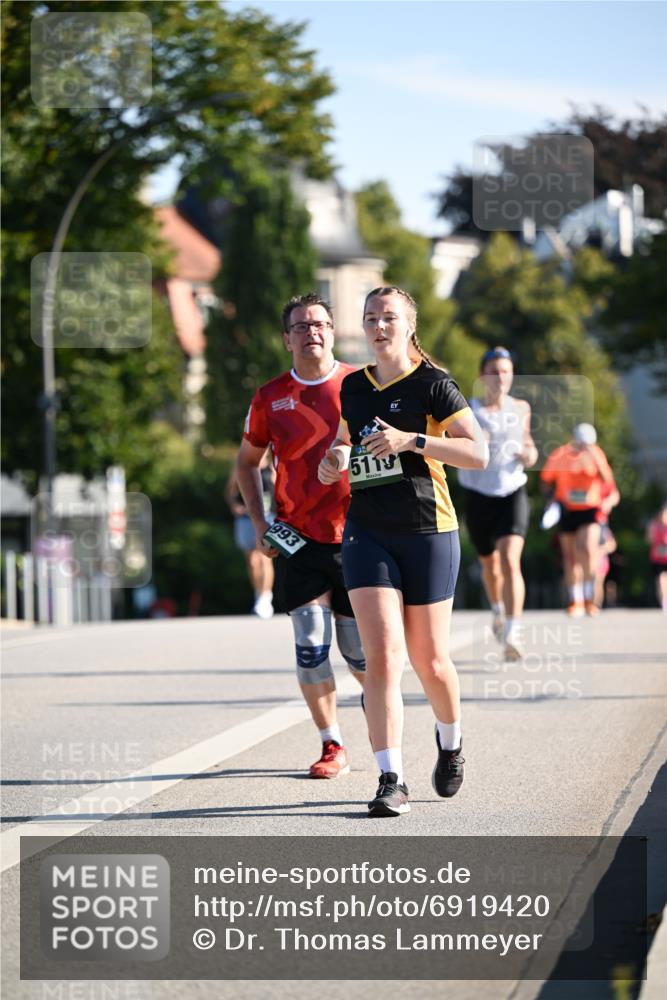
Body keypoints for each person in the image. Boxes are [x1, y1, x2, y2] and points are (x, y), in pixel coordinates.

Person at [318, 286, 487, 817]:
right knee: (383, 658)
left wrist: (412, 440)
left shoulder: (433, 384)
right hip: (367, 532)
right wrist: (335, 458)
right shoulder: (353, 387)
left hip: (427, 530)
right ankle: (390, 778)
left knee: (430, 661)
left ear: (409, 325)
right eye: (370, 317)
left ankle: (451, 742)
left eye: (388, 317)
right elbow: (345, 439)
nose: (378, 326)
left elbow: (478, 453)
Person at [235, 293, 365, 779]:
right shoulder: (270, 397)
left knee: (360, 655)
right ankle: (332, 744)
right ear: (287, 338)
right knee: (310, 646)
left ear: (332, 331)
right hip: (299, 538)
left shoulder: (359, 385)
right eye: (302, 326)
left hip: (359, 537)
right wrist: (260, 524)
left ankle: (384, 737)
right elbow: (247, 464)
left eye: (320, 324)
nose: (312, 332)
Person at [458, 346, 538, 659]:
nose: (500, 377)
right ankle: (497, 610)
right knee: (490, 566)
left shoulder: (521, 407)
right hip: (479, 494)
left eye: (506, 371)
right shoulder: (468, 409)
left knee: (509, 559)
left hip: (512, 490)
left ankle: (514, 632)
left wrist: (529, 454)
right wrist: (475, 443)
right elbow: (454, 447)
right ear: (482, 376)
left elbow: (528, 443)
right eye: (494, 371)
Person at [540, 423, 619, 617]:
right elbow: (545, 480)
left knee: (588, 549)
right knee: (570, 556)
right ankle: (576, 601)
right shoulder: (560, 454)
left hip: (590, 508)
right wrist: (550, 499)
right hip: (567, 509)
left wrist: (595, 458)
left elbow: (608, 480)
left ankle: (590, 598)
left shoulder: (596, 454)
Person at [225, 458, 275, 619]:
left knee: (265, 558)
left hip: (268, 518)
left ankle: (266, 597)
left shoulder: (271, 468)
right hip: (247, 519)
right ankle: (258, 594)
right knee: (252, 560)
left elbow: (280, 491)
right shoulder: (242, 465)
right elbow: (230, 491)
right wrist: (235, 506)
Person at [646, 503, 667, 612]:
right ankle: (664, 601)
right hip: (658, 558)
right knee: (661, 580)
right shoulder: (654, 525)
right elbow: (649, 540)